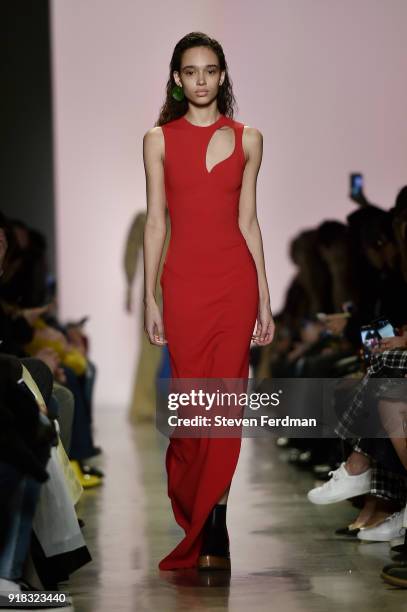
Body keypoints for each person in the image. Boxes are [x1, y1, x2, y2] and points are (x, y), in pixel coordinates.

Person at [142, 31, 274, 571]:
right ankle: (199, 505)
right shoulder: (157, 139)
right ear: (177, 78)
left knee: (226, 404)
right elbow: (156, 221)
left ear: (223, 76)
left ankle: (216, 521)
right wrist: (149, 295)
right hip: (185, 286)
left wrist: (264, 298)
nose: (201, 80)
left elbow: (249, 222)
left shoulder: (249, 139)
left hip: (234, 285)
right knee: (193, 411)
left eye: (210, 70)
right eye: (191, 71)